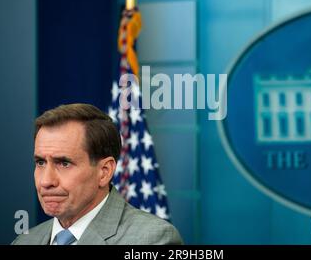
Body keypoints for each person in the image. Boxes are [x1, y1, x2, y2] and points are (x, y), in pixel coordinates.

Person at [12, 103, 183, 245]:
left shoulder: (152, 239)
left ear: (104, 172)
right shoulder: (25, 241)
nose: (46, 181)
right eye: (40, 162)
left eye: (64, 163)